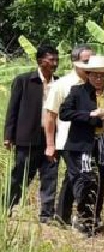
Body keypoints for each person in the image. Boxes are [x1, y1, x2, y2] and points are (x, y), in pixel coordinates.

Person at [58, 55, 104, 237]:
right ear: (88, 75)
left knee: (100, 180)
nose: (99, 79)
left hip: (103, 143)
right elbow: (64, 113)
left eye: (103, 76)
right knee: (85, 179)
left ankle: (94, 218)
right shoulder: (77, 91)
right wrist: (90, 116)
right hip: (81, 145)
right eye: (95, 76)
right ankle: (83, 217)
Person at [4, 44, 60, 221]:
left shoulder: (59, 83)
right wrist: (8, 135)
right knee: (20, 176)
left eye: (56, 59)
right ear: (40, 61)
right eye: (51, 60)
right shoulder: (24, 80)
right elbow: (12, 109)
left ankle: (46, 215)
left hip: (51, 138)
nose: (55, 63)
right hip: (26, 137)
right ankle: (7, 207)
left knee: (50, 177)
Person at [43, 44, 93, 225]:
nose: (89, 65)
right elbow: (50, 117)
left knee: (72, 178)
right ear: (74, 62)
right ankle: (84, 218)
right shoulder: (61, 85)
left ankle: (61, 216)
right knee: (80, 177)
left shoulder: (95, 83)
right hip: (67, 141)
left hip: (89, 141)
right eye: (86, 61)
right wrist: (50, 145)